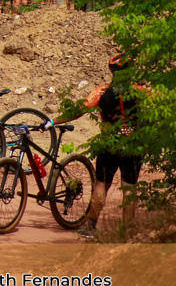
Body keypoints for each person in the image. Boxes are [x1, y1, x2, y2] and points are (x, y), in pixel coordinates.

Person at [54, 54, 146, 239]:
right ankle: (127, 232)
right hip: (132, 143)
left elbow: (79, 110)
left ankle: (90, 226)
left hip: (108, 142)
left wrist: (52, 120)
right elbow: (159, 108)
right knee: (129, 187)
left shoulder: (102, 92)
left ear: (111, 71)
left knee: (101, 184)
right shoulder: (140, 91)